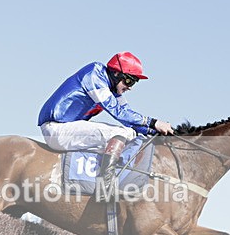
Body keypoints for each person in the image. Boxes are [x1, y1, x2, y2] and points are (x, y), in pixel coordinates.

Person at [38, 51, 174, 191]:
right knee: (123, 133)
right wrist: (153, 122)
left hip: (70, 131)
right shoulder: (94, 73)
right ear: (116, 74)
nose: (130, 87)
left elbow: (130, 120)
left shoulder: (113, 90)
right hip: (55, 129)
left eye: (134, 82)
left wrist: (155, 131)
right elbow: (118, 112)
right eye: (129, 80)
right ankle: (107, 185)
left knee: (131, 135)